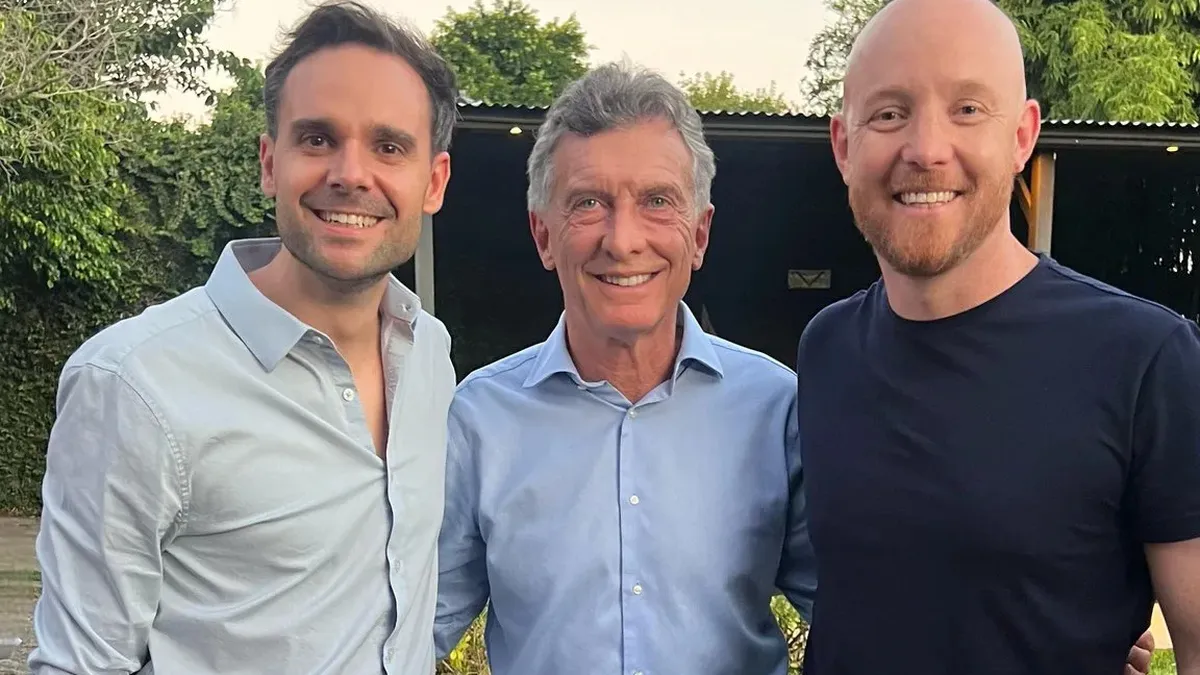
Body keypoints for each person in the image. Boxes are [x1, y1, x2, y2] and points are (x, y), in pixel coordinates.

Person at [27, 2, 458, 673]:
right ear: (268, 163)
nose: (350, 172)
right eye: (317, 139)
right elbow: (82, 662)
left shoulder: (428, 354)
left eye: (389, 146)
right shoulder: (134, 383)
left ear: (433, 181)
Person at [795, 0, 1200, 673]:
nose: (926, 150)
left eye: (967, 109)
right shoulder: (827, 347)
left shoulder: (1147, 361)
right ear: (844, 145)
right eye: (890, 112)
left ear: (1021, 136)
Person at [433, 61, 817, 675]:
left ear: (699, 234)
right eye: (588, 203)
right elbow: (408, 629)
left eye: (657, 202)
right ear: (543, 236)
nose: (624, 240)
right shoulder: (479, 420)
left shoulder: (778, 409)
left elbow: (855, 614)